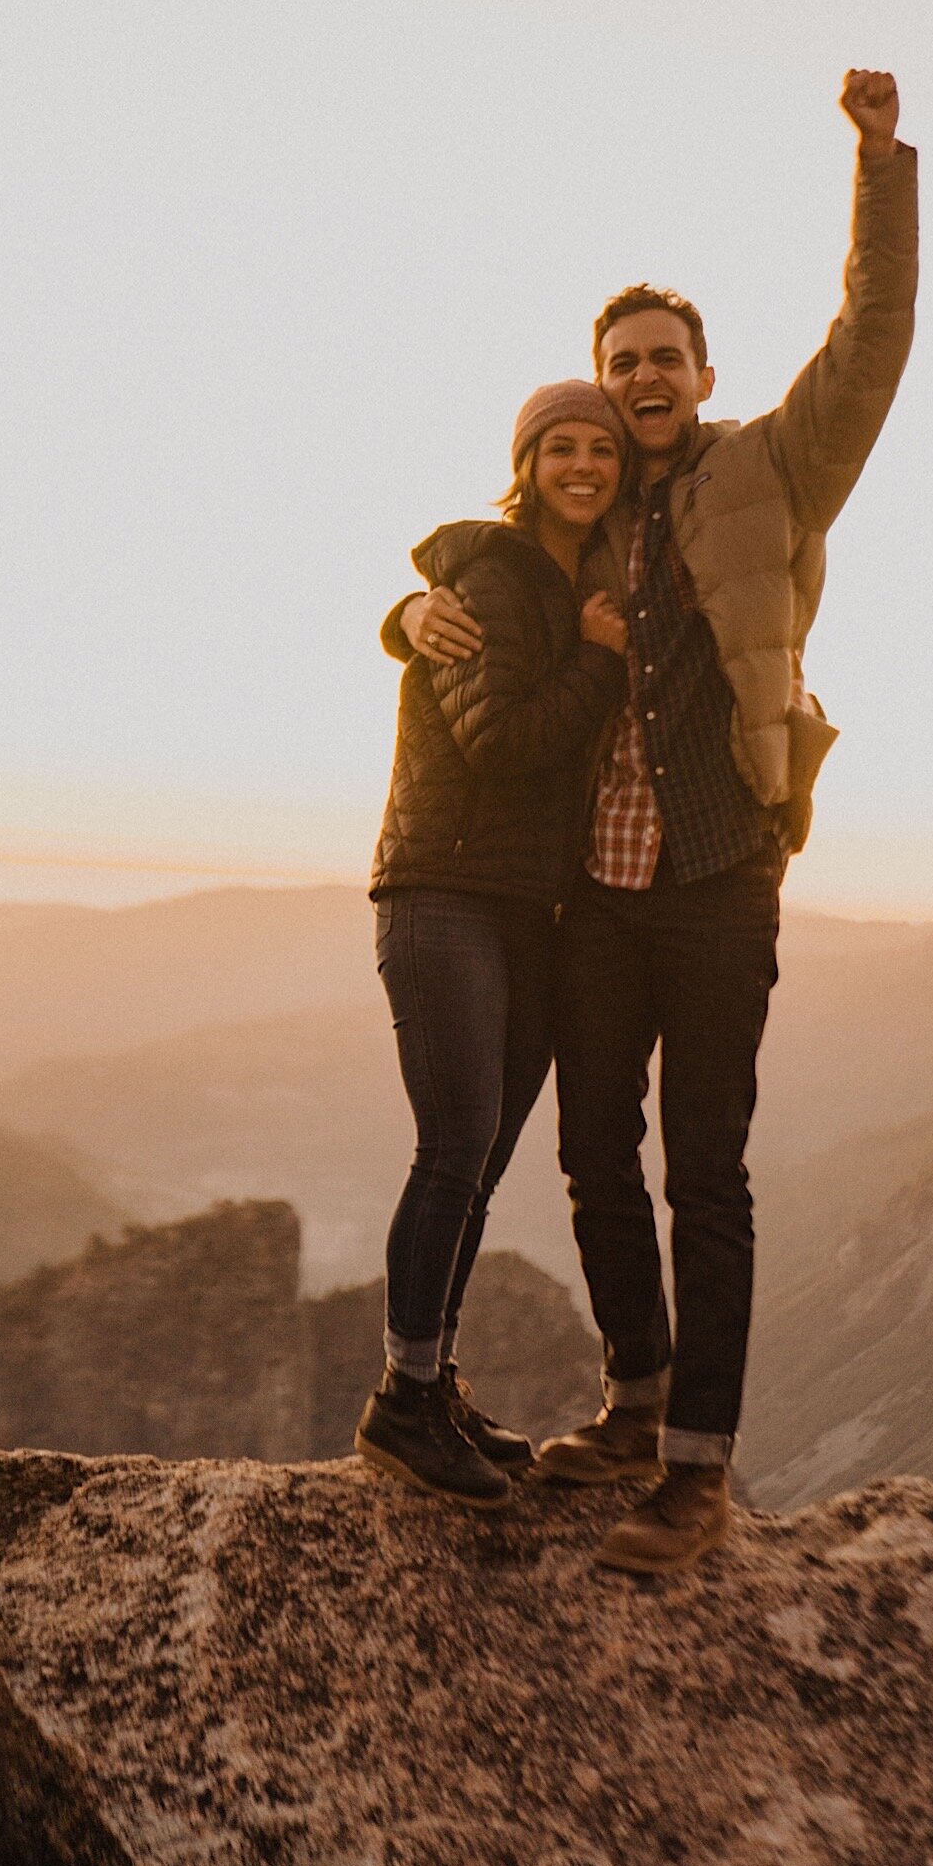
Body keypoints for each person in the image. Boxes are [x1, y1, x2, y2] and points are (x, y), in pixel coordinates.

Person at [390, 70, 917, 1569]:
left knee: (707, 1167)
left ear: (703, 368)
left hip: (719, 872)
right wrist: (404, 610)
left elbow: (871, 343)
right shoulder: (577, 510)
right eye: (620, 361)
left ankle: (694, 1471)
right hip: (592, 892)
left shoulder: (770, 471)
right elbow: (469, 583)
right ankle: (635, 1401)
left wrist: (878, 167)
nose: (642, 378)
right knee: (594, 1155)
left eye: (664, 357)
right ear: (597, 383)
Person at [355, 381, 632, 1508]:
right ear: (527, 462)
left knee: (480, 1156)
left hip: (521, 907)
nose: (582, 464)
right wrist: (600, 659)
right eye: (559, 446)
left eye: (598, 448)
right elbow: (498, 737)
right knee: (455, 1140)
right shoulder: (501, 575)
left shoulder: (577, 582)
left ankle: (430, 1381)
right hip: (444, 893)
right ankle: (403, 1401)